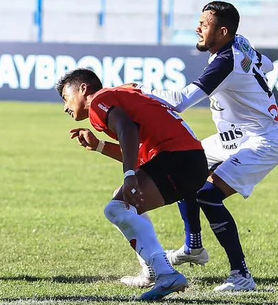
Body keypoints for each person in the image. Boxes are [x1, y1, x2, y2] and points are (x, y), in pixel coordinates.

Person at [131, 2, 278, 292]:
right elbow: (265, 64)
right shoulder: (240, 43)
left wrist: (140, 91)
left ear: (223, 30)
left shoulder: (226, 59)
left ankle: (241, 276)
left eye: (204, 24)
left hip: (264, 139)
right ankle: (193, 247)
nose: (198, 28)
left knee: (208, 195)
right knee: (184, 165)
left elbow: (180, 101)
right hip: (238, 136)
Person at [60, 68, 207, 301]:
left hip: (179, 160)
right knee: (124, 203)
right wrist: (99, 146)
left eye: (65, 98)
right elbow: (139, 152)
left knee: (117, 208)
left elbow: (127, 130)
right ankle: (151, 271)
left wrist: (130, 175)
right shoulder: (116, 97)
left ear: (83, 89)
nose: (65, 107)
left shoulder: (99, 101)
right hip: (188, 160)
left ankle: (165, 273)